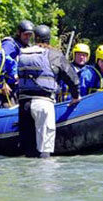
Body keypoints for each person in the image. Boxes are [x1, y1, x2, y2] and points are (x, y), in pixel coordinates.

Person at [17, 25, 80, 158]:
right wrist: (75, 96)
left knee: (30, 150)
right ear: (49, 39)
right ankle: (45, 178)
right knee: (45, 148)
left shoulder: (25, 53)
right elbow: (72, 78)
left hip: (24, 104)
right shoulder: (55, 54)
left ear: (35, 38)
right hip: (43, 103)